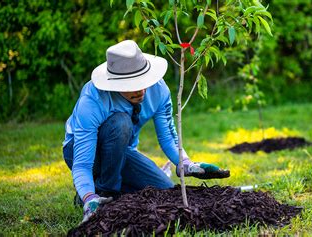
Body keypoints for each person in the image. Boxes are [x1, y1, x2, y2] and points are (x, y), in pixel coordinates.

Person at [62, 40, 223, 222]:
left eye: (142, 81)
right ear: (115, 83)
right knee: (120, 122)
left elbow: (168, 137)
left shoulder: (159, 90)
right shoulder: (93, 100)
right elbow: (83, 162)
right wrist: (89, 197)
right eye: (131, 84)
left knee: (165, 190)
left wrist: (185, 163)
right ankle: (102, 193)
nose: (140, 90)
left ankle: (102, 188)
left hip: (123, 151)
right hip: (81, 152)